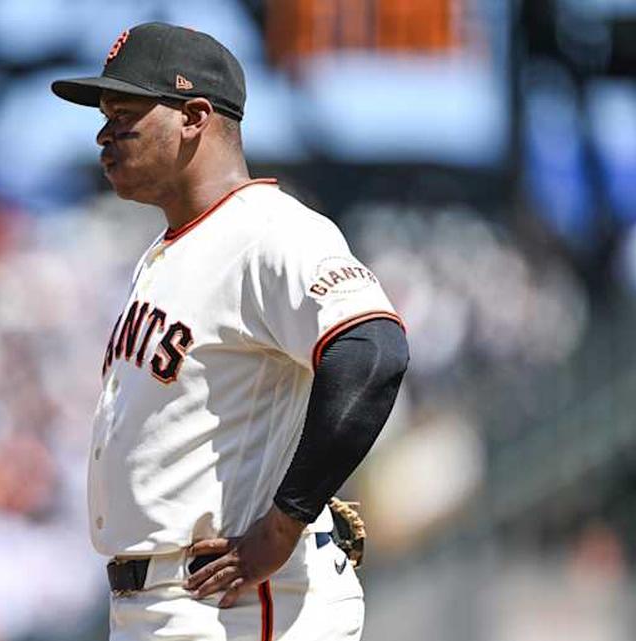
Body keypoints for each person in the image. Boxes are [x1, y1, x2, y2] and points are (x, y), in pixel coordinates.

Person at [52, 22, 408, 641]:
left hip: (238, 604)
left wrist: (283, 524)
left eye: (126, 112)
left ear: (194, 116)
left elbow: (372, 351)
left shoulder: (268, 229)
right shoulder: (170, 251)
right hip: (163, 602)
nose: (104, 135)